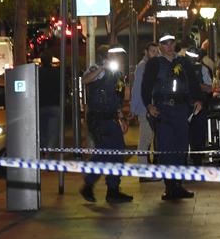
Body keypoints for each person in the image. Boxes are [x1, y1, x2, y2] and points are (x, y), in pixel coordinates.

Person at [141, 33, 202, 200]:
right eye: (165, 43)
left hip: (182, 109)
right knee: (166, 148)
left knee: (181, 147)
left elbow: (193, 82)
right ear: (160, 46)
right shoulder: (155, 64)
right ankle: (169, 187)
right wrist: (149, 105)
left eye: (171, 42)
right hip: (163, 110)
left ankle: (178, 184)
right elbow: (146, 86)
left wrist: (197, 99)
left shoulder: (183, 62)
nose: (168, 46)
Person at [79, 45, 133, 204]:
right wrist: (103, 67)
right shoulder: (98, 69)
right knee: (105, 152)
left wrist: (121, 117)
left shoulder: (117, 75)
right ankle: (89, 184)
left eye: (122, 56)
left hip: (110, 118)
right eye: (117, 56)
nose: (121, 59)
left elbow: (116, 99)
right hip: (98, 119)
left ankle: (113, 189)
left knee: (117, 151)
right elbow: (85, 79)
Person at [130, 42, 160, 180]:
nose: (155, 53)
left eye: (156, 50)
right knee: (145, 139)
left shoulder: (150, 66)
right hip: (144, 108)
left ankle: (145, 170)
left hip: (148, 107)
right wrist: (133, 108)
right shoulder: (143, 66)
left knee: (147, 139)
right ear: (146, 52)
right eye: (152, 51)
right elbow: (137, 89)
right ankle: (143, 172)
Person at [38, 48, 61, 149]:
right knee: (53, 132)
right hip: (55, 105)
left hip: (40, 105)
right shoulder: (57, 73)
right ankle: (49, 153)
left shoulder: (37, 73)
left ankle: (43, 150)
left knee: (42, 131)